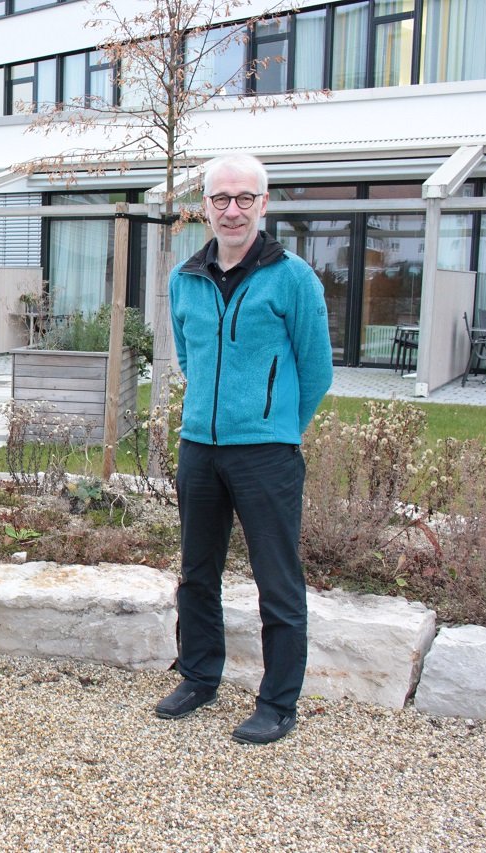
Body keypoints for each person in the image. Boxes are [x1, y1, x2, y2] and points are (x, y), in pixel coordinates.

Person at [158, 153, 333, 744]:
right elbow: (188, 356)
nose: (232, 210)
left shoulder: (292, 277)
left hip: (266, 454)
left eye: (244, 199)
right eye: (220, 199)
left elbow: (316, 372)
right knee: (196, 572)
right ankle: (200, 675)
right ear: (203, 205)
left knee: (276, 580)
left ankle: (278, 702)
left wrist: (277, 424)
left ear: (264, 203)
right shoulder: (184, 277)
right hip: (198, 449)